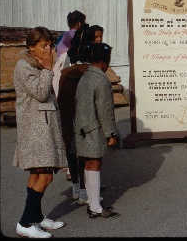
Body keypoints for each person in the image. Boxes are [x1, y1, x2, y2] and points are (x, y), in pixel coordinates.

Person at [13, 27, 67, 238]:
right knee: (45, 177)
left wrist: (46, 68)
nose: (48, 49)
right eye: (43, 45)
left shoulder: (38, 66)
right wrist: (47, 69)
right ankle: (25, 223)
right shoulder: (24, 66)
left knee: (38, 175)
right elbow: (40, 93)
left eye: (50, 45)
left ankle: (36, 217)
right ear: (31, 46)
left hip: (44, 129)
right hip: (35, 131)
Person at [74, 43, 121, 218]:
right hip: (94, 130)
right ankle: (95, 207)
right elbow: (105, 110)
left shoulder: (85, 76)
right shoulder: (101, 79)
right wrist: (111, 134)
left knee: (88, 164)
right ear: (104, 60)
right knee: (95, 164)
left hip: (82, 129)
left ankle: (93, 202)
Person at [58, 26, 96, 205]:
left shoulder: (65, 74)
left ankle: (75, 188)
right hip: (83, 119)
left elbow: (60, 99)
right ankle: (84, 192)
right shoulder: (88, 73)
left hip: (67, 118)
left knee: (71, 154)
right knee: (84, 155)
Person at [53, 10, 86, 98]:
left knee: (58, 84)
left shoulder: (64, 34)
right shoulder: (77, 35)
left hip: (59, 61)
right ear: (79, 24)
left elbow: (56, 47)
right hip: (67, 61)